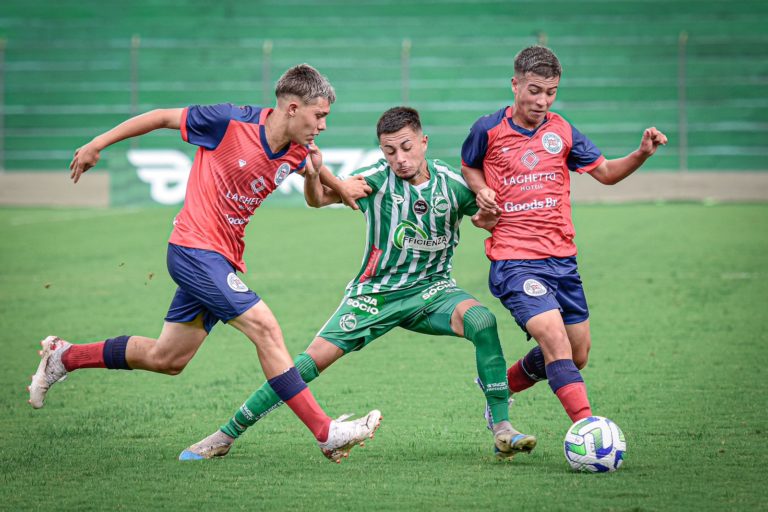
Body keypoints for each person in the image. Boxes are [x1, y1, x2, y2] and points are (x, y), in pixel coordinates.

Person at [28, 63, 382, 463]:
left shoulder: (299, 150)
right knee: (265, 327)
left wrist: (336, 185)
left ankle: (64, 356)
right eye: (320, 116)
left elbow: (315, 192)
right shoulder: (228, 122)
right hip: (193, 250)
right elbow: (162, 117)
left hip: (221, 260)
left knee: (168, 358)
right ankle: (325, 432)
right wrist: (98, 143)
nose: (323, 125)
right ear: (292, 108)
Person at [178, 106, 537, 462]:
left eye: (407, 147)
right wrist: (312, 174)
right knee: (304, 365)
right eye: (389, 150)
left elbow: (485, 219)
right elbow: (318, 200)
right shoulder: (375, 180)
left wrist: (487, 215)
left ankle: (502, 427)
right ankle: (225, 435)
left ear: (424, 142)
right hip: (373, 295)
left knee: (482, 322)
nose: (399, 158)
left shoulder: (454, 185)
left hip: (433, 291)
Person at [461, 46, 668, 425]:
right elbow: (469, 166)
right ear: (515, 84)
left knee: (577, 353)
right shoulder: (487, 129)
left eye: (551, 92)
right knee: (555, 340)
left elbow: (605, 172)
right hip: (515, 260)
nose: (542, 100)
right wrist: (481, 190)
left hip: (562, 260)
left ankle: (498, 388)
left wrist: (641, 154)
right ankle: (588, 430)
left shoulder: (562, 130)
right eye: (535, 90)